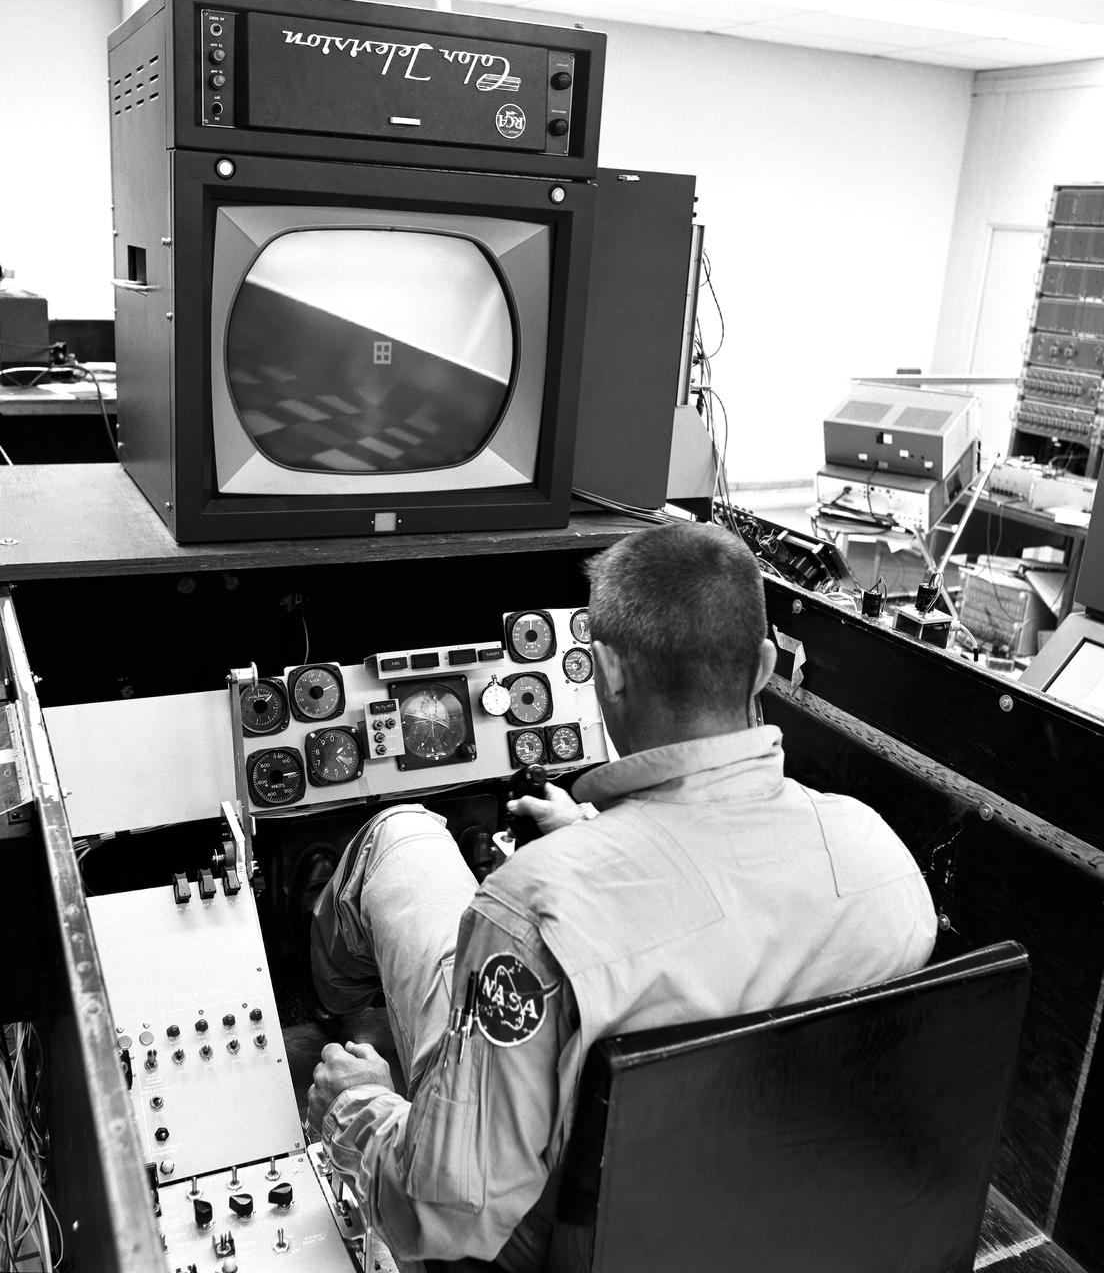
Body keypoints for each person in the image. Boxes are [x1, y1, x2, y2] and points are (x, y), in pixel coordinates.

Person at [306, 521, 938, 1271]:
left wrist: (360, 1107)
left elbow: (448, 1215)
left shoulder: (525, 913)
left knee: (402, 836)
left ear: (605, 671)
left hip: (560, 1247)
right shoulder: (882, 858)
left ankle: (331, 1020)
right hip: (787, 1225)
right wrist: (594, 833)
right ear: (765, 666)